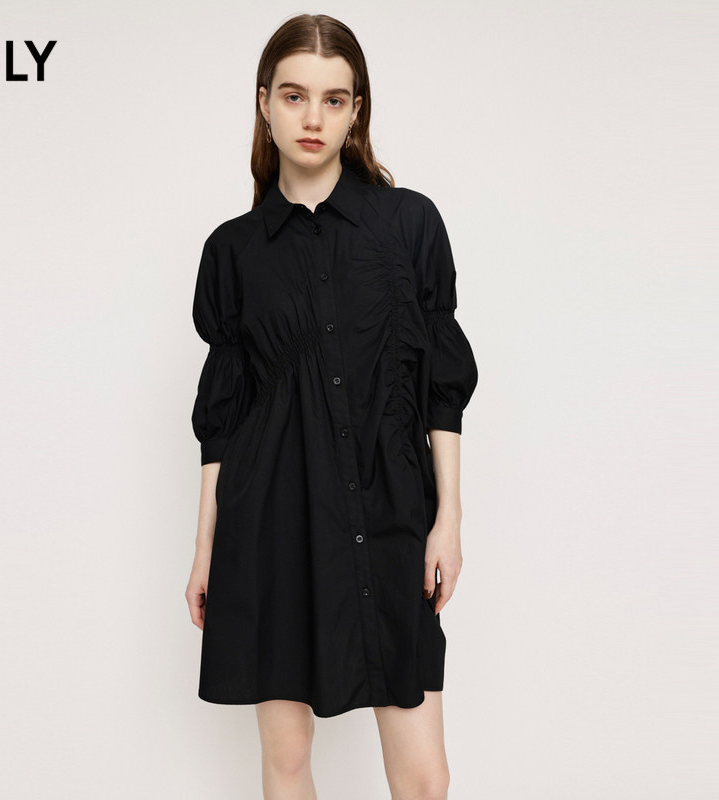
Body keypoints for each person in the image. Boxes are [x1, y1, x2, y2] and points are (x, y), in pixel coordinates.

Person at [185, 13, 478, 799]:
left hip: (391, 514)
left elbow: (441, 386)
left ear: (356, 111)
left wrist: (448, 518)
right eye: (293, 96)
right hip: (272, 523)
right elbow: (224, 420)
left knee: (424, 779)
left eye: (333, 99)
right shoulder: (232, 251)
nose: (312, 117)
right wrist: (206, 548)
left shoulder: (409, 225)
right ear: (264, 104)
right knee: (285, 761)